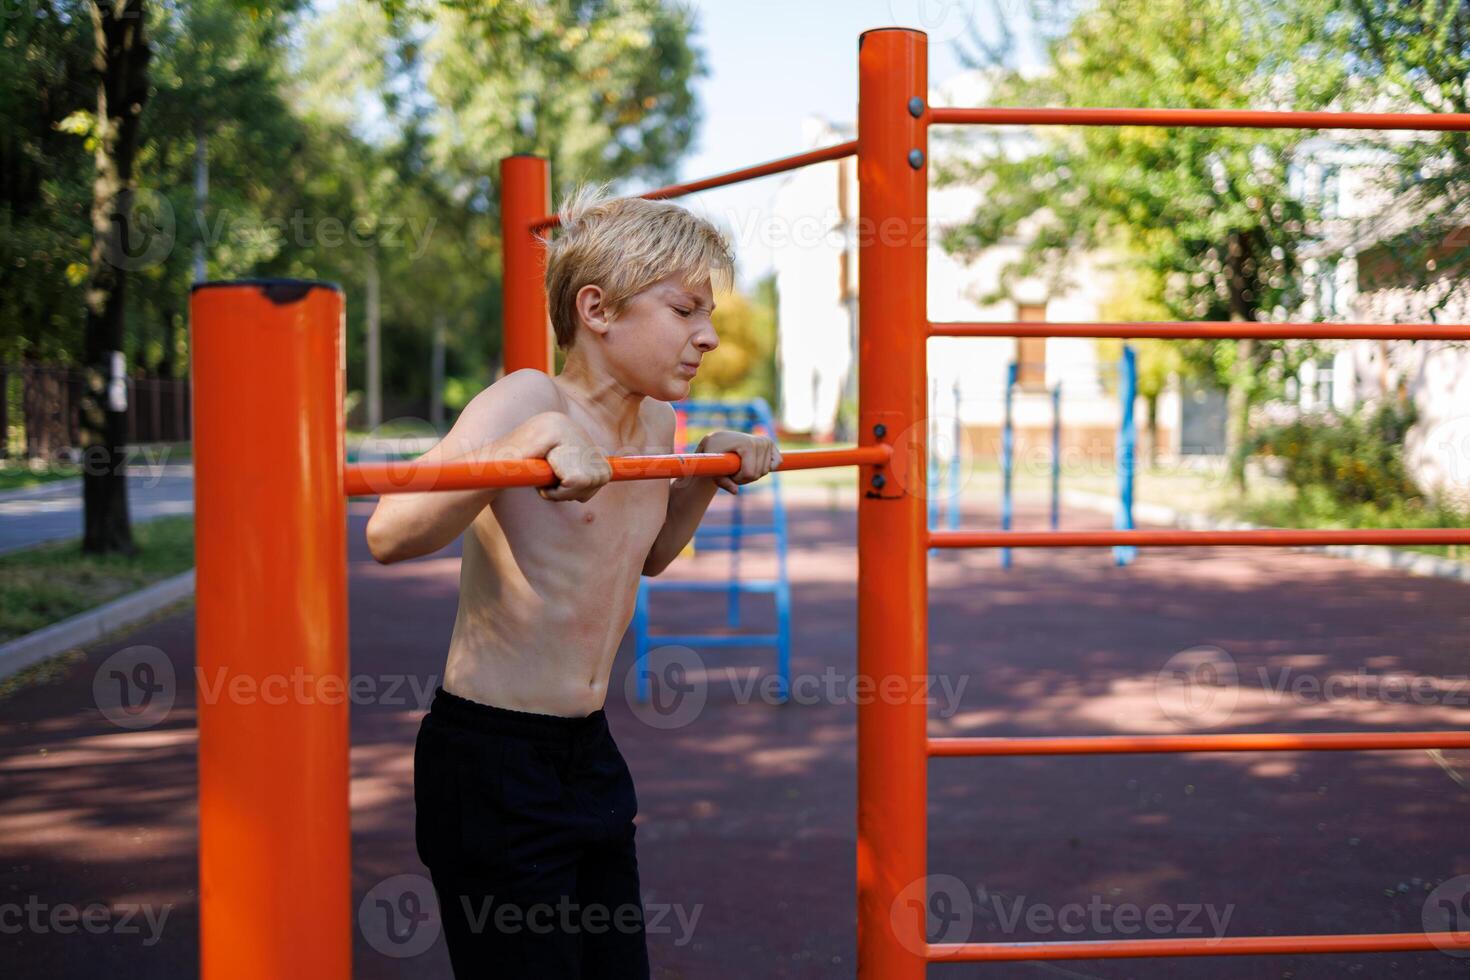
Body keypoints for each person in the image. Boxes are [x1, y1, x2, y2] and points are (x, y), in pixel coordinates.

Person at [365, 184, 780, 978]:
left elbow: (645, 555)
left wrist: (704, 471)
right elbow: (390, 532)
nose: (709, 336)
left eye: (709, 315)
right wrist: (530, 441)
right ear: (597, 309)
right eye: (685, 309)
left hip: (588, 753)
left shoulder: (658, 424)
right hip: (491, 757)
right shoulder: (531, 396)